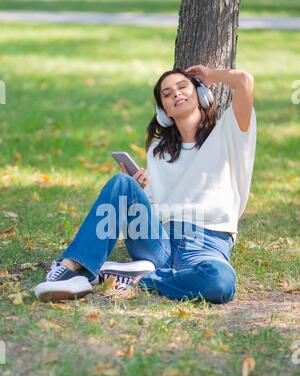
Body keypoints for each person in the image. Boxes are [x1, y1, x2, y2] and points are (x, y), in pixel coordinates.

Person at [34, 64, 256, 304]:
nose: (176, 94)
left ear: (202, 94)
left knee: (220, 282)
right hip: (157, 239)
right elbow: (153, 206)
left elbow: (244, 81)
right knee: (122, 183)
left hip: (205, 243)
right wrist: (139, 191)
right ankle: (69, 269)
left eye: (183, 87)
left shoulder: (229, 133)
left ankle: (142, 278)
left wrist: (210, 76)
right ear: (164, 111)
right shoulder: (159, 152)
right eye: (167, 94)